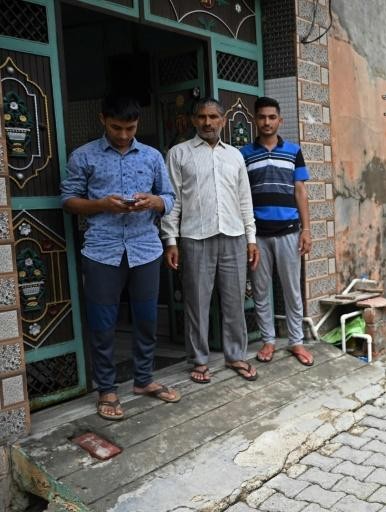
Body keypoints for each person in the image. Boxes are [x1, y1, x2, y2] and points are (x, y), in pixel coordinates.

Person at [61, 96, 180, 421]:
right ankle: (107, 389)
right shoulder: (83, 156)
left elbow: (170, 198)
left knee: (147, 319)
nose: (125, 134)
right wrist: (102, 204)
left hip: (145, 249)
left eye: (130, 128)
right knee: (102, 323)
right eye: (117, 127)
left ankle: (143, 380)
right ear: (103, 120)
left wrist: (153, 201)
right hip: (102, 250)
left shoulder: (154, 156)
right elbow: (69, 200)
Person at [161, 97, 260, 383]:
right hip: (195, 237)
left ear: (223, 119)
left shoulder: (235, 156)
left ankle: (236, 356)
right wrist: (171, 240)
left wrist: (251, 239)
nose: (208, 123)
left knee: (234, 302)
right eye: (202, 117)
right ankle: (199, 360)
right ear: (193, 120)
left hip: (234, 236)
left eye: (213, 117)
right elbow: (174, 201)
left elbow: (244, 200)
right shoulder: (179, 154)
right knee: (197, 303)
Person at [240, 97, 313, 366]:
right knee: (260, 290)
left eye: (272, 117)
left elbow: (301, 191)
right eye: (262, 117)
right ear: (255, 120)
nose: (267, 122)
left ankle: (297, 342)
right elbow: (243, 195)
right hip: (258, 235)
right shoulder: (244, 154)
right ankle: (268, 341)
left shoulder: (294, 151)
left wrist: (307, 229)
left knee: (292, 290)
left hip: (289, 232)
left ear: (280, 120)